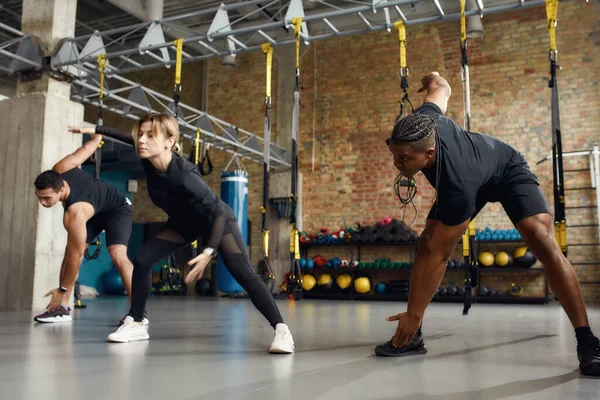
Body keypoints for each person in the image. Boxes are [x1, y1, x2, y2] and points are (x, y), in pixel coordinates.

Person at [376, 71, 600, 376]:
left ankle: (587, 340)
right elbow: (441, 87)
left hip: (506, 169)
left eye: (403, 159)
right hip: (473, 173)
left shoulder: (457, 183)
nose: (396, 164)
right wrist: (431, 77)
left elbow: (442, 257)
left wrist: (412, 313)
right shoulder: (422, 123)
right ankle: (413, 335)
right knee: (427, 242)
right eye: (394, 156)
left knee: (541, 239)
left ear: (428, 153)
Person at [68, 114, 295, 353]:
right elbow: (127, 137)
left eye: (150, 135)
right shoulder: (149, 159)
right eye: (141, 134)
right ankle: (136, 321)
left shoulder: (185, 175)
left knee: (244, 274)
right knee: (143, 260)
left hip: (218, 221)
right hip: (185, 223)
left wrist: (209, 251)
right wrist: (94, 128)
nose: (142, 140)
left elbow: (218, 210)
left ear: (169, 141)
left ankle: (282, 331)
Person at [33, 129, 142, 326]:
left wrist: (63, 289)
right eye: (39, 197)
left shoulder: (74, 214)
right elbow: (84, 150)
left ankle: (138, 313)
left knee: (117, 254)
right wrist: (96, 138)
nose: (43, 203)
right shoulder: (61, 168)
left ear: (62, 189)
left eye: (47, 198)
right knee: (70, 250)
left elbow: (77, 257)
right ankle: (62, 309)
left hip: (116, 208)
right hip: (94, 210)